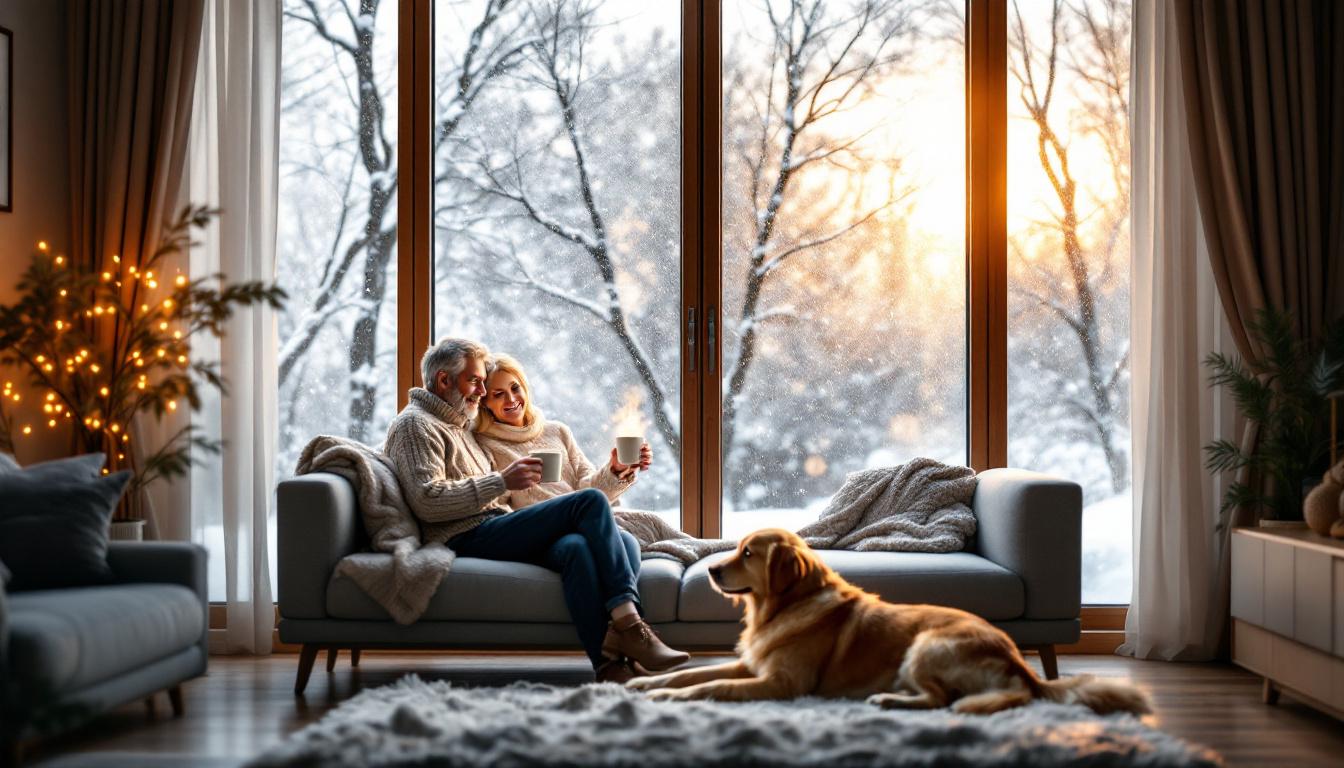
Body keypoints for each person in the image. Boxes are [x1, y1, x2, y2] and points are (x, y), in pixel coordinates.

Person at [383, 337, 688, 683]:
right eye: (478, 383)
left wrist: (617, 472)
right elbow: (428, 501)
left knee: (593, 546)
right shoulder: (416, 425)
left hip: (495, 525)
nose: (483, 392)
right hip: (463, 535)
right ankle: (632, 625)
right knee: (588, 503)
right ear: (443, 381)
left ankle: (607, 664)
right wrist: (502, 482)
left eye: (493, 385)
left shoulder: (456, 423)